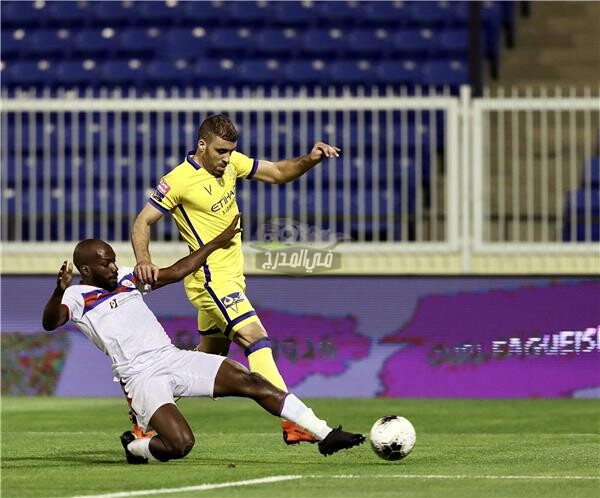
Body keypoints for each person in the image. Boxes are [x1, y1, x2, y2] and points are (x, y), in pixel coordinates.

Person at [42, 216, 365, 464]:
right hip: (140, 376)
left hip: (172, 357)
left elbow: (176, 271)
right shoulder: (76, 295)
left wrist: (215, 243)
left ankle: (324, 434)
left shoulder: (126, 277)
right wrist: (58, 290)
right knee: (180, 445)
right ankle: (136, 448)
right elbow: (50, 322)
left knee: (251, 379)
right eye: (105, 263)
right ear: (86, 268)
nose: (113, 266)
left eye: (113, 259)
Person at [131, 114, 341, 444]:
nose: (226, 159)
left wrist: (310, 159)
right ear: (202, 145)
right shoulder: (179, 180)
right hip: (210, 281)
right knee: (256, 339)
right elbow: (142, 222)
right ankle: (294, 423)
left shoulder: (231, 165)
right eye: (220, 151)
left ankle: (143, 414)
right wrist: (144, 259)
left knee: (205, 364)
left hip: (231, 279)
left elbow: (278, 173)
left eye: (230, 151)